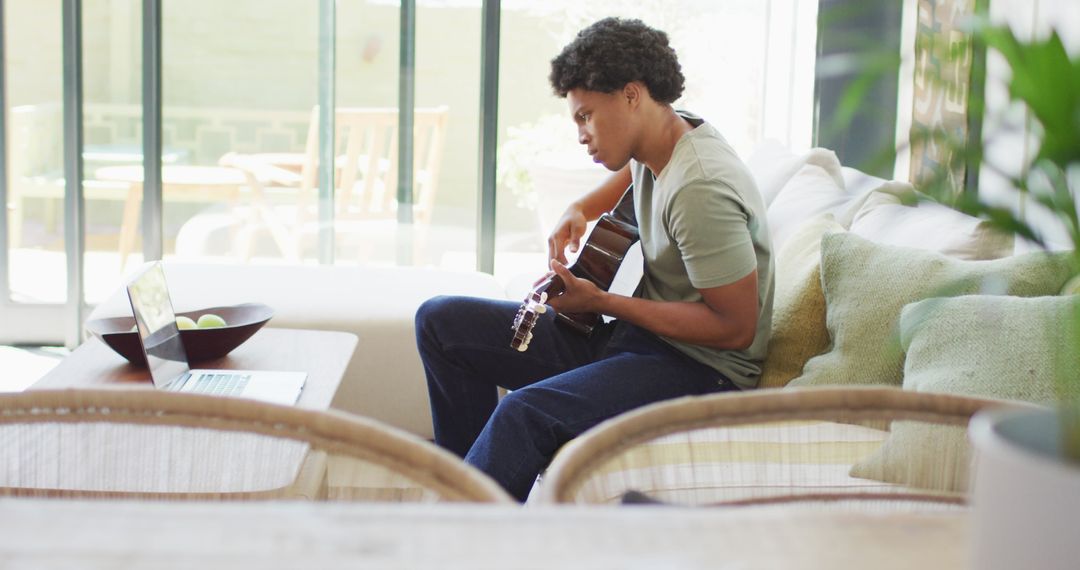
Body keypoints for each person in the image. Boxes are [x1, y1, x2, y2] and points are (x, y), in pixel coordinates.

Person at [415, 17, 773, 502]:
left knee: (524, 413)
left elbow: (735, 328)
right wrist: (579, 209)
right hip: (640, 341)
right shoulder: (666, 133)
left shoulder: (699, 187)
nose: (581, 134)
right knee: (441, 322)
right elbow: (631, 172)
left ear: (631, 95)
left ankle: (454, 541)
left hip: (702, 371)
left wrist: (601, 299)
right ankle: (470, 498)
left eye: (586, 116)